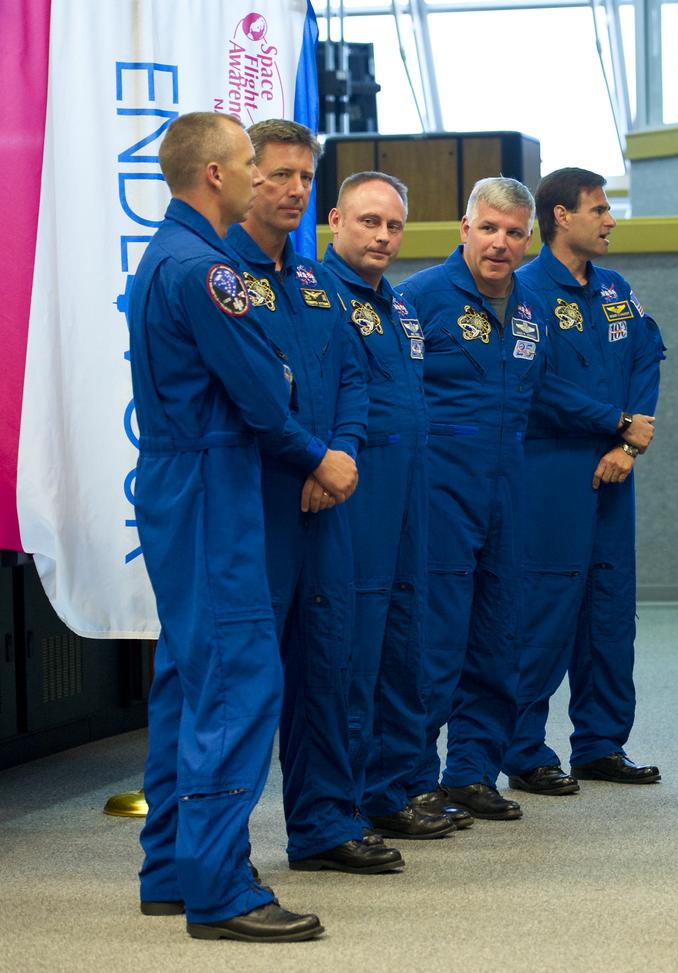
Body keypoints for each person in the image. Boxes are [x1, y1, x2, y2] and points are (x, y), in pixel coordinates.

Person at [129, 111, 324, 942]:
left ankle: (172, 863)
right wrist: (304, 437)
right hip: (213, 480)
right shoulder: (207, 271)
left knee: (188, 672)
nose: (259, 177)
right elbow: (262, 387)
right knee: (237, 681)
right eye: (250, 163)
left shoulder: (163, 256)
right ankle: (221, 887)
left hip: (182, 478)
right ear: (214, 173)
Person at [226, 122, 406, 875]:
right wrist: (311, 455)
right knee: (246, 685)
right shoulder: (222, 278)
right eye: (281, 175)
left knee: (326, 668)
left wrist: (342, 453)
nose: (295, 189)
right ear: (242, 178)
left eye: (305, 175)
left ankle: (325, 823)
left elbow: (354, 379)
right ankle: (217, 850)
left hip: (324, 501)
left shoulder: (311, 284)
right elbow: (249, 397)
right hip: (256, 504)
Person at [398, 177, 585, 821]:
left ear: (528, 238)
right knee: (435, 638)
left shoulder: (531, 308)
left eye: (512, 233)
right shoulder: (417, 299)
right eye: (487, 229)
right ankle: (413, 778)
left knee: (499, 632)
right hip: (439, 486)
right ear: (464, 229)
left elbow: (538, 396)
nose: (499, 244)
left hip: (510, 484)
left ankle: (471, 771)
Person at [500, 167, 665, 796]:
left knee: (609, 607)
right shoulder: (525, 292)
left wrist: (627, 441)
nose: (610, 220)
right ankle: (523, 748)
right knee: (545, 607)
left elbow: (648, 355)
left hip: (615, 468)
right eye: (598, 209)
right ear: (561, 216)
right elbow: (534, 384)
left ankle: (600, 743)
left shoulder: (616, 288)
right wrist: (614, 422)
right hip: (551, 470)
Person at [323, 172, 469, 838]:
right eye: (369, 221)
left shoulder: (401, 305)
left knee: (407, 644)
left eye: (393, 225)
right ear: (335, 220)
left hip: (411, 493)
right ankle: (343, 800)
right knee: (352, 654)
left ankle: (395, 785)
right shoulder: (319, 296)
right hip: (355, 496)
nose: (383, 236)